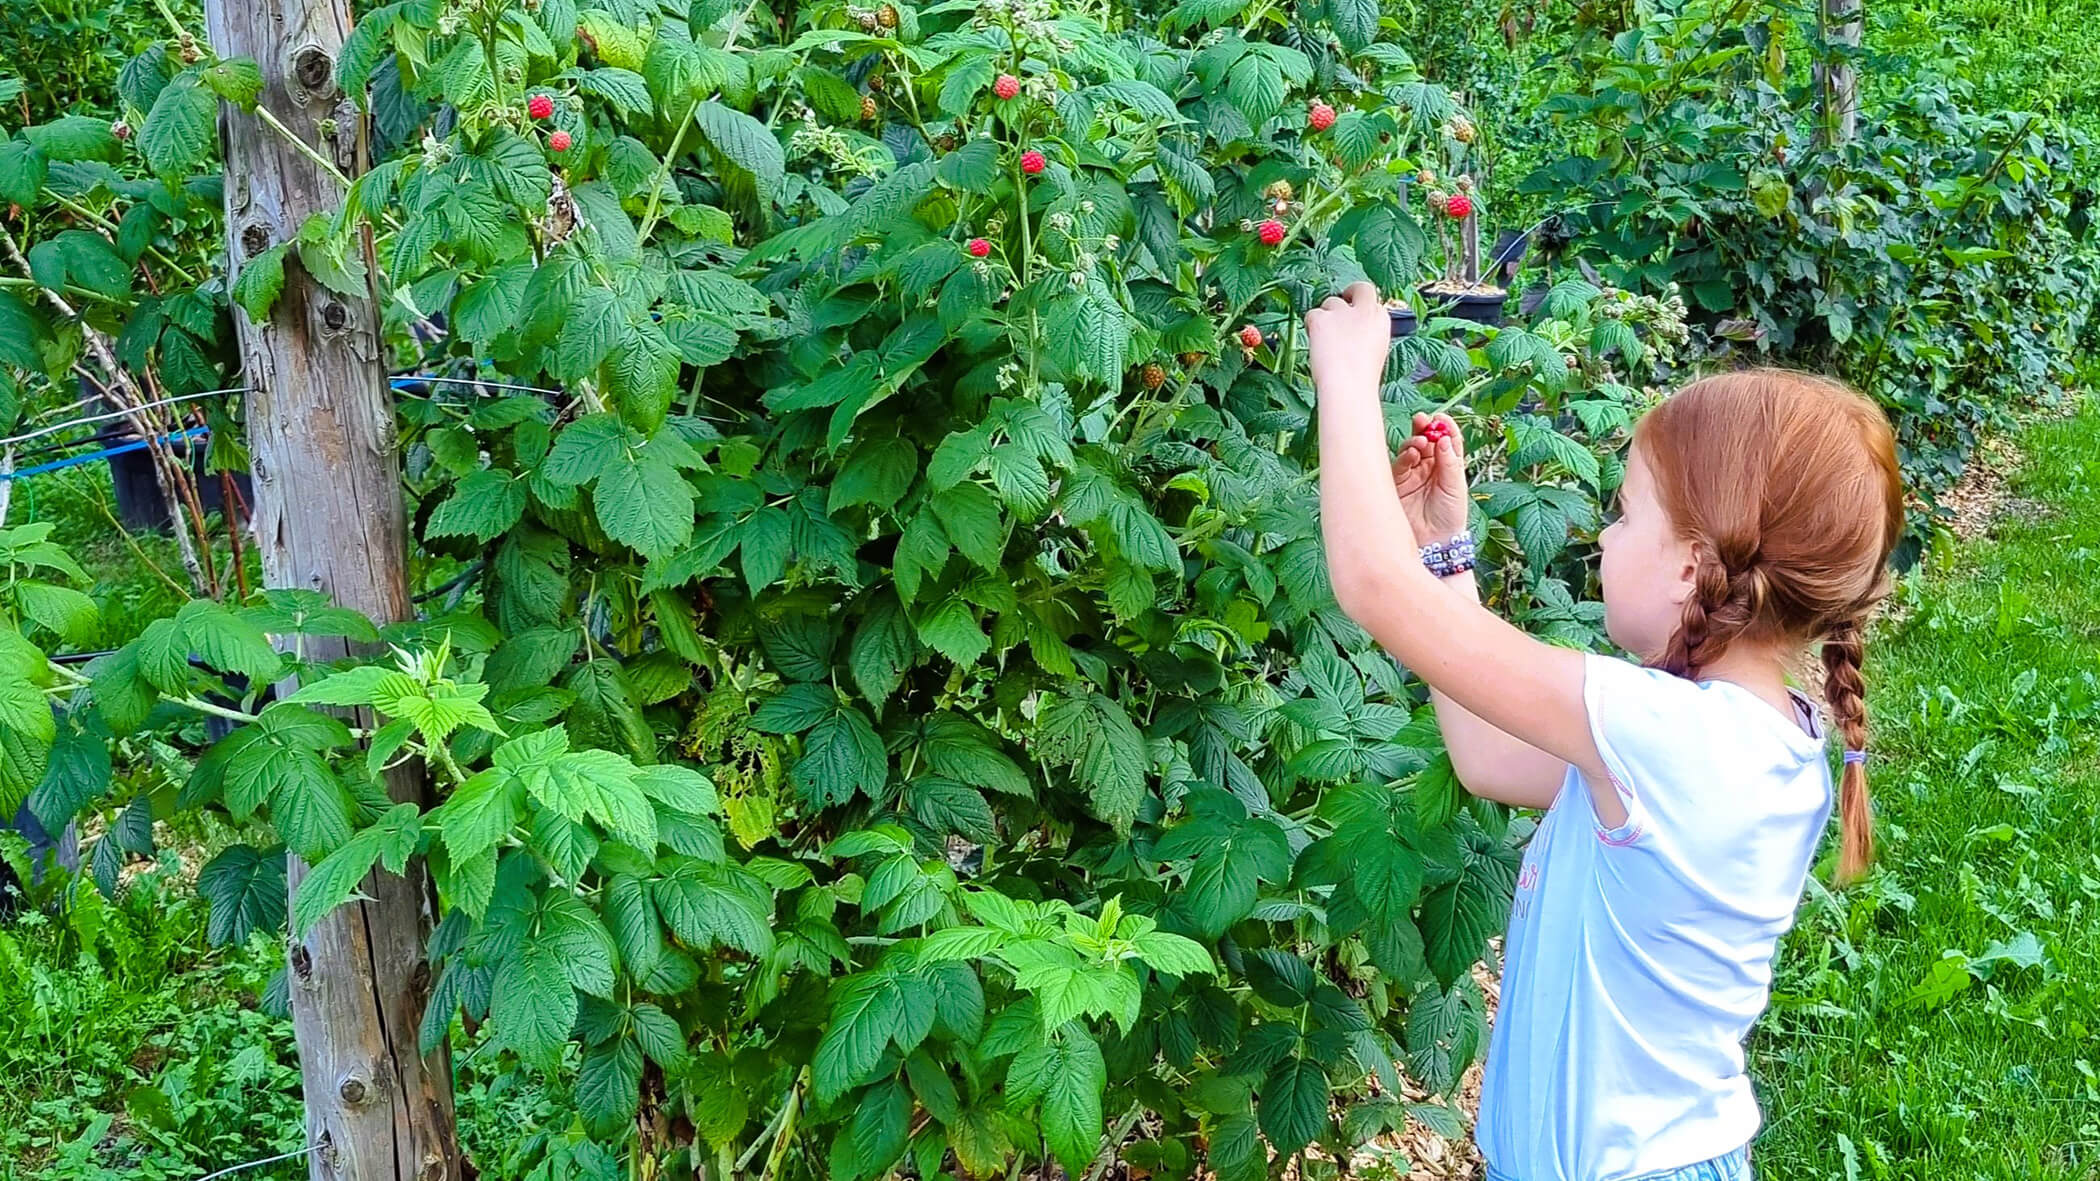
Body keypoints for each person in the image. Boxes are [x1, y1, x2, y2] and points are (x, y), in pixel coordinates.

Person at [1303, 282, 1903, 1181]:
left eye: (1625, 512)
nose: (1606, 536)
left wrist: (1347, 378)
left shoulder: (1668, 736)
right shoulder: (1748, 739)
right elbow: (1488, 755)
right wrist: (1444, 550)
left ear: (1692, 567)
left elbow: (1370, 587)